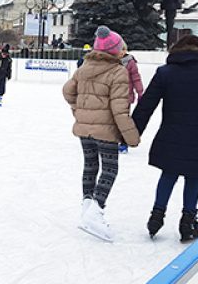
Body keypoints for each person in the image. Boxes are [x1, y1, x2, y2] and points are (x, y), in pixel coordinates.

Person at [132, 35, 198, 242]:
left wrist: (133, 131)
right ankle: (188, 222)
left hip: (170, 133)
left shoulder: (165, 72)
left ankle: (156, 216)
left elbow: (147, 104)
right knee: (193, 176)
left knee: (168, 174)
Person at [62, 26, 140, 242]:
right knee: (110, 169)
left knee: (90, 166)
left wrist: (79, 111)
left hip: (84, 129)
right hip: (105, 130)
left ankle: (86, 208)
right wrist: (132, 137)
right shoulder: (117, 72)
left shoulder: (84, 67)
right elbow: (119, 109)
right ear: (115, 51)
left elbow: (67, 91)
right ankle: (95, 212)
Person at [118, 43, 144, 155]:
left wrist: (140, 92)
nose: (121, 52)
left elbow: (136, 78)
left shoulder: (130, 62)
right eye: (119, 49)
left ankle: (123, 144)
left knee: (124, 121)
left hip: (126, 96)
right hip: (112, 96)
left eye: (123, 49)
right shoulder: (110, 61)